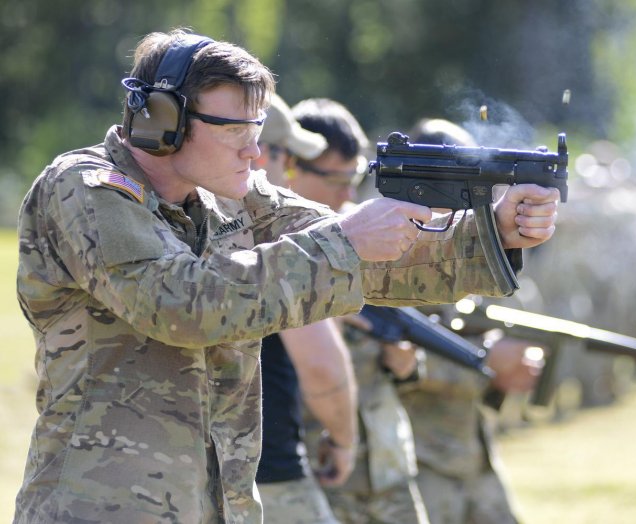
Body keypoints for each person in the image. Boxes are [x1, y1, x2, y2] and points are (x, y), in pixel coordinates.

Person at [13, 29, 559, 523]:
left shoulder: (235, 197)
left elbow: (368, 254)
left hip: (217, 505)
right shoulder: (87, 189)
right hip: (96, 508)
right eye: (235, 131)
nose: (256, 151)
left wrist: (490, 230)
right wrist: (344, 243)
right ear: (163, 119)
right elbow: (179, 303)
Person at [290, 98, 430, 524]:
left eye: (354, 178)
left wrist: (404, 365)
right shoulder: (265, 258)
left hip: (386, 468)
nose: (348, 195)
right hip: (316, 472)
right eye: (336, 178)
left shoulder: (369, 239)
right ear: (292, 168)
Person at [398, 118, 544, 524]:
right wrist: (485, 361)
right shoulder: (388, 255)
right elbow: (386, 357)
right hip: (416, 466)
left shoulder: (472, 252)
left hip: (474, 457)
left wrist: (509, 367)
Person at [254, 93, 357, 524]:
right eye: (288, 158)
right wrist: (344, 440)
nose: (288, 172)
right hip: (268, 474)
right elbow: (321, 366)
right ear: (263, 154)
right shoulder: (268, 231)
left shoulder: (178, 217)